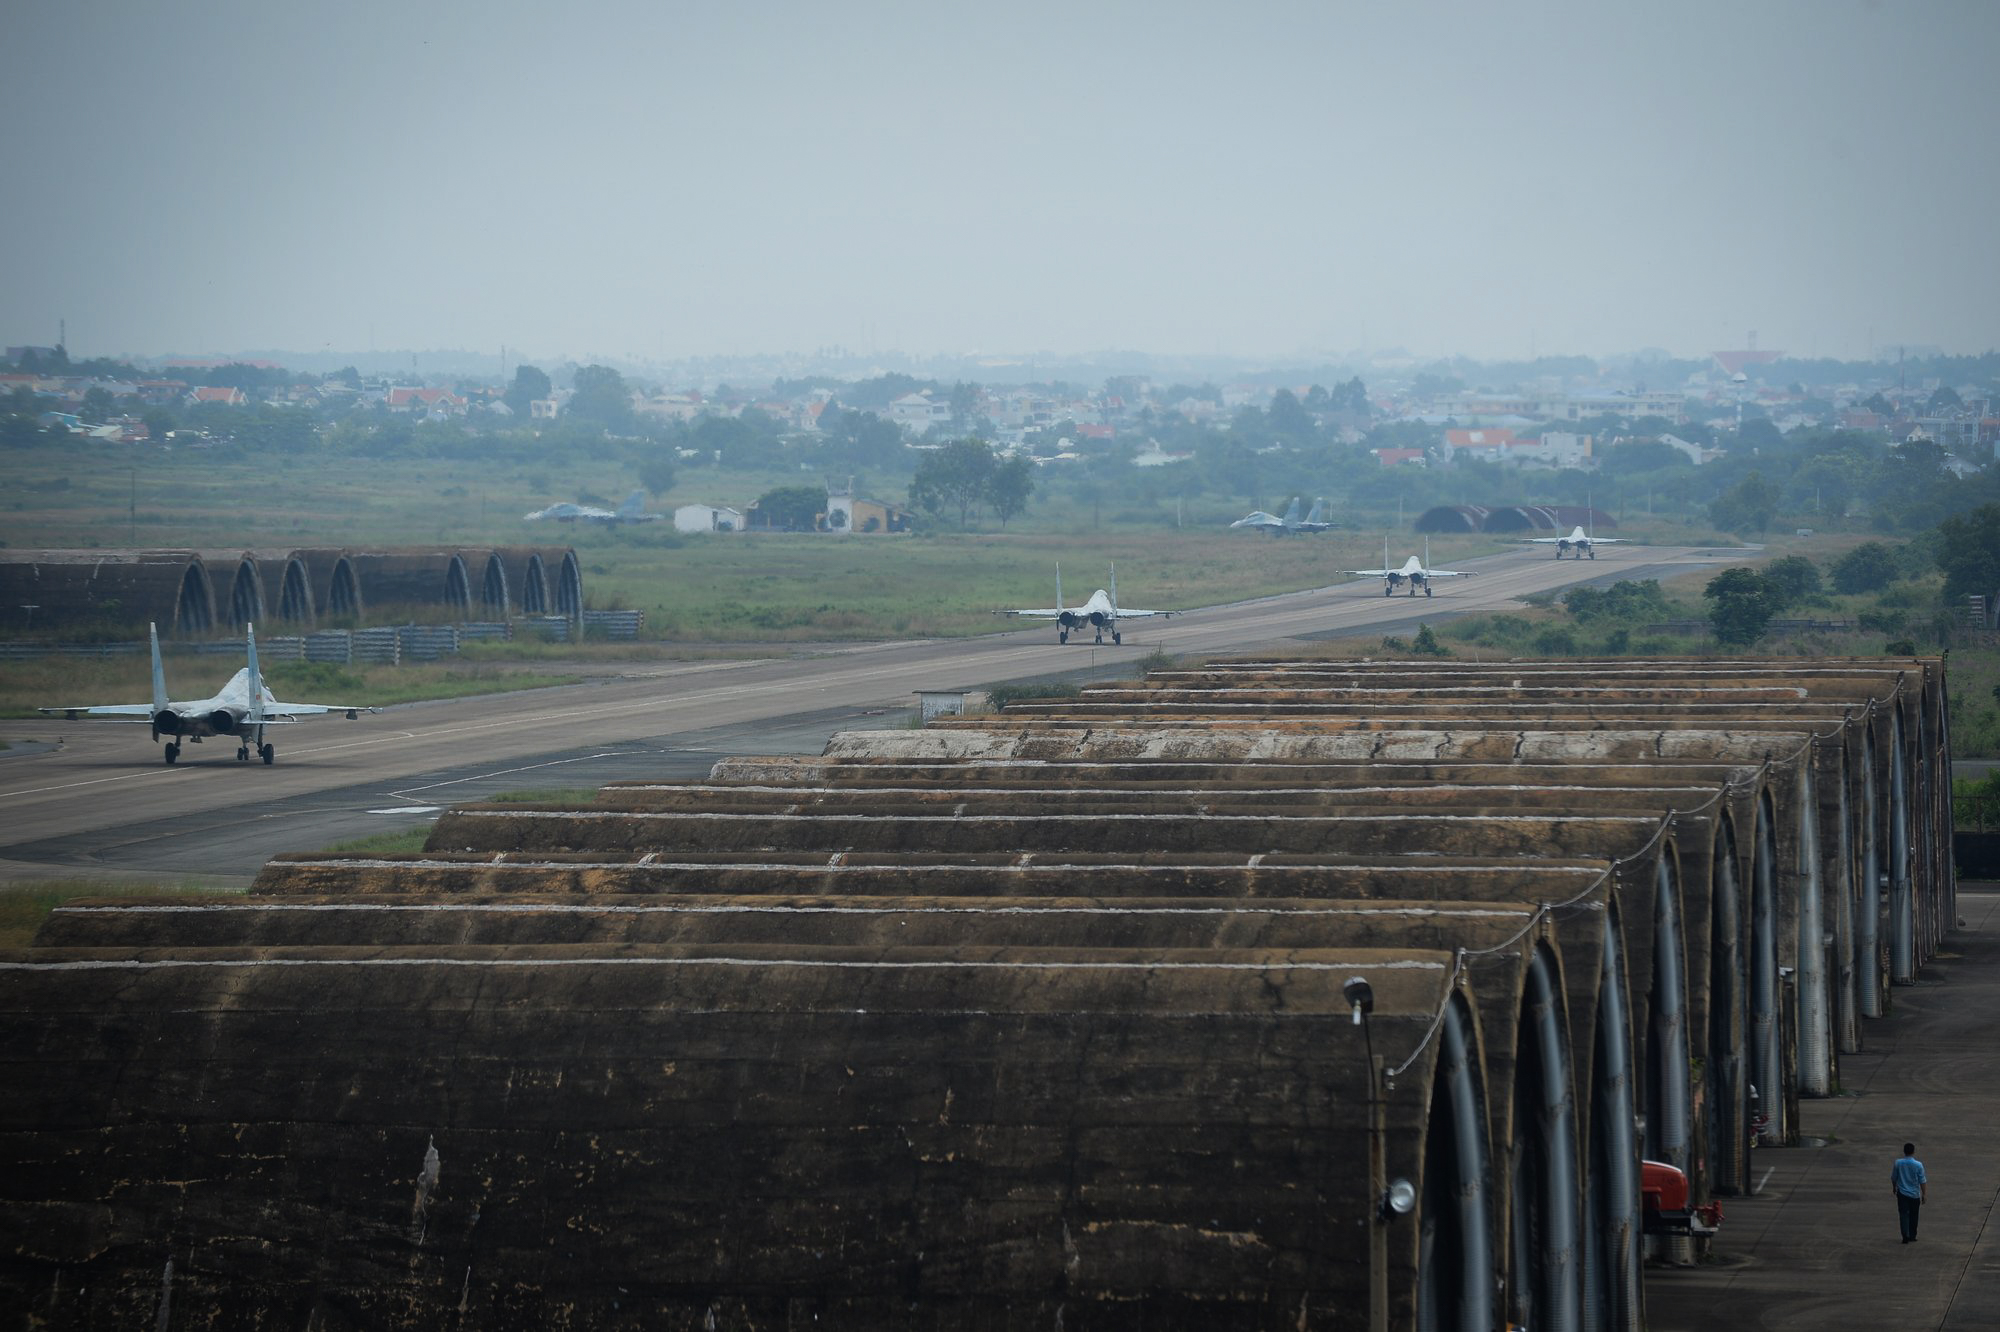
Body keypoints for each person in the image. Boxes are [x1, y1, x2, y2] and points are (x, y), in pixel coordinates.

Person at [1892, 1142, 1927, 1243]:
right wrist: (1924, 1194)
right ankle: (1912, 1235)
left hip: (1902, 1193)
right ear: (1913, 1152)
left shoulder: (1898, 1163)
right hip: (1914, 1194)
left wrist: (1894, 1187)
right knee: (1914, 1215)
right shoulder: (1918, 1165)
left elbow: (1894, 1177)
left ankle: (1905, 1235)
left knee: (1903, 1214)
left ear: (1904, 1151)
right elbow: (1922, 1180)